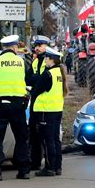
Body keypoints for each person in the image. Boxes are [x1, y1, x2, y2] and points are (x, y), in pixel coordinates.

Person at [0, 35, 30, 181]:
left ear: (3, 48)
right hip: (18, 105)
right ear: (15, 47)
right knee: (21, 138)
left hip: (0, 105)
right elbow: (27, 79)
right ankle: (24, 171)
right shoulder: (22, 62)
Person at [32, 47, 67, 176]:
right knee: (55, 139)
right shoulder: (59, 73)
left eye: (46, 58)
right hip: (56, 109)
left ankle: (49, 167)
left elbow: (37, 90)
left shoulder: (48, 74)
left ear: (51, 59)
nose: (45, 60)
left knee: (47, 140)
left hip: (45, 110)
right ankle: (58, 166)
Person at [26, 35, 50, 170]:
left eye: (40, 45)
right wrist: (36, 79)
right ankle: (35, 162)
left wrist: (36, 79)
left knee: (45, 135)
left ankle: (49, 163)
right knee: (34, 134)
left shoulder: (49, 61)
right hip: (35, 101)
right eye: (36, 46)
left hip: (46, 103)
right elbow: (28, 79)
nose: (37, 48)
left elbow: (43, 81)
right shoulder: (35, 62)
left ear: (47, 46)